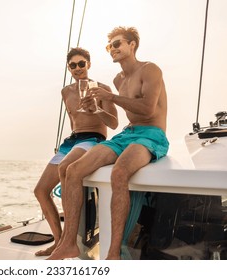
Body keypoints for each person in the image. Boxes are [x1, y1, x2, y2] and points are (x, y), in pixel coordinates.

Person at [47, 26, 169, 260]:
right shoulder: (118, 78)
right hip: (128, 133)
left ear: (132, 45)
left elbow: (147, 109)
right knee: (73, 171)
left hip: (152, 134)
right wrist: (96, 108)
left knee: (120, 172)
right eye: (109, 45)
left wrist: (110, 97)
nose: (111, 49)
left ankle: (113, 253)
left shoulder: (150, 69)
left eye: (117, 43)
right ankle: (69, 243)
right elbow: (124, 116)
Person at [34, 47, 118, 256]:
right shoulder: (66, 92)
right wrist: (67, 147)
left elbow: (114, 123)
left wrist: (96, 110)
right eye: (73, 65)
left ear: (88, 64)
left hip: (93, 138)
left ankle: (69, 243)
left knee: (66, 167)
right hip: (72, 141)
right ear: (69, 68)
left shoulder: (102, 89)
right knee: (40, 191)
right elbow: (73, 121)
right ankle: (58, 241)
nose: (78, 68)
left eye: (82, 63)